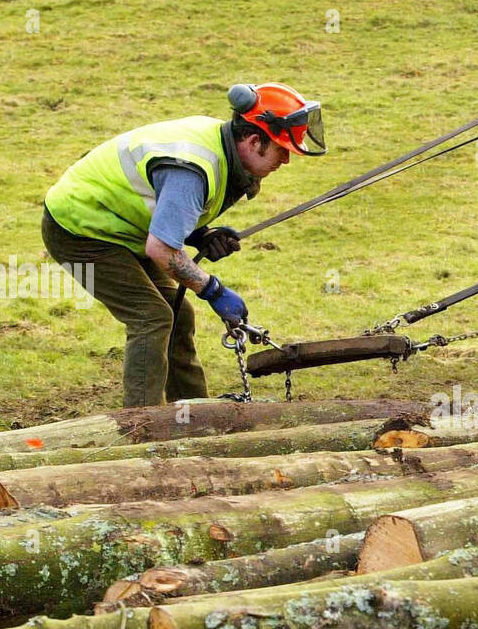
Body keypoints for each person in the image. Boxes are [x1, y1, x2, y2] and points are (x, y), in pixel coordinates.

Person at [41, 83, 326, 406]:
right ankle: (142, 426)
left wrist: (198, 234)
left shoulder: (220, 146)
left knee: (179, 315)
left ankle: (192, 414)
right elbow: (161, 249)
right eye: (281, 149)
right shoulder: (192, 169)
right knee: (152, 317)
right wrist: (214, 291)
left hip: (121, 228)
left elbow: (164, 205)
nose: (286, 160)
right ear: (253, 140)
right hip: (80, 230)